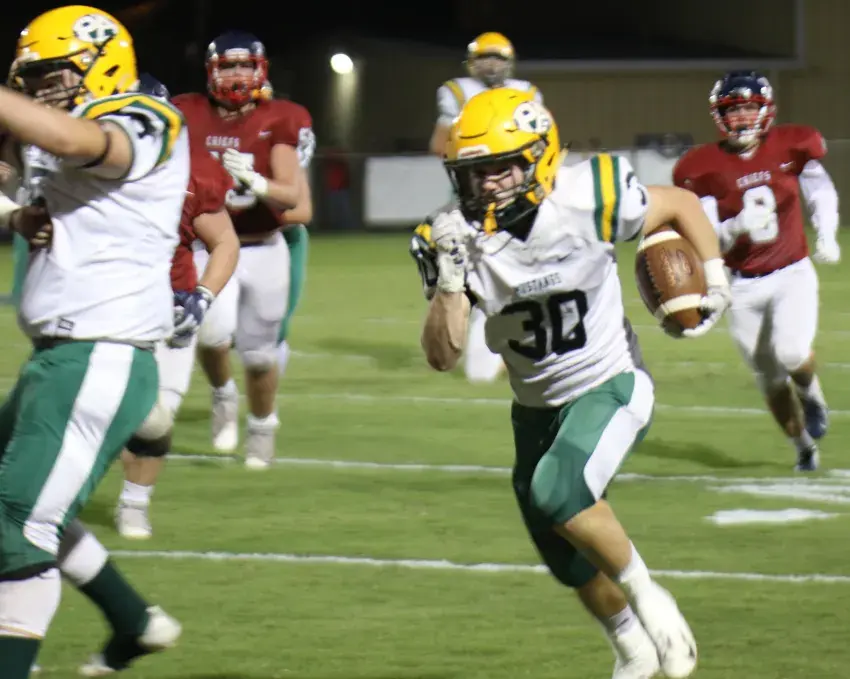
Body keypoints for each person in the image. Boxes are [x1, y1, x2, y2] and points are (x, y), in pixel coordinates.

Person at [416, 88, 732, 679]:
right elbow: (442, 354)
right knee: (565, 554)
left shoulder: (591, 196)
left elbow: (681, 204)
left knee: (558, 489)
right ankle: (632, 651)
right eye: (476, 173)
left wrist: (714, 279)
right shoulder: (452, 236)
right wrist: (451, 284)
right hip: (534, 407)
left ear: (540, 157)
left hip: (610, 382)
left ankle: (652, 600)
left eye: (502, 169)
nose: (488, 186)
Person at [0, 6, 190, 676]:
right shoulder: (53, 132)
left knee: (16, 526)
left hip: (100, 352)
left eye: (51, 76)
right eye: (31, 80)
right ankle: (133, 620)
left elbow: (83, 142)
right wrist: (16, 213)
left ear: (102, 61)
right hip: (60, 356)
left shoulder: (147, 114)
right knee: (21, 510)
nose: (38, 91)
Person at [673, 71, 839, 472]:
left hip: (791, 271)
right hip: (742, 284)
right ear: (719, 115)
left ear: (766, 110)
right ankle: (803, 448)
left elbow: (820, 190)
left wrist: (827, 234)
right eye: (734, 109)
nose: (742, 117)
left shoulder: (790, 144)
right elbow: (707, 236)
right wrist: (735, 226)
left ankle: (812, 396)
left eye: (749, 107)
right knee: (770, 379)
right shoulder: (703, 167)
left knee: (792, 352)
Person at [172, 31, 314, 468]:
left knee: (258, 354)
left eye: (245, 65)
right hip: (209, 244)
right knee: (210, 333)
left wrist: (256, 182)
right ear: (211, 71)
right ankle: (222, 393)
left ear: (261, 70)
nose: (237, 74)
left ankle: (262, 426)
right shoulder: (185, 112)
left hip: (262, 244)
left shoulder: (282, 117)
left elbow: (294, 200)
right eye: (228, 65)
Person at [115, 75, 240, 540]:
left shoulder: (194, 171)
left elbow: (224, 242)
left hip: (168, 303)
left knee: (157, 417)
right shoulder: (86, 169)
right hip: (104, 305)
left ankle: (135, 502)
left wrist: (202, 295)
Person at [426, 32, 542, 384]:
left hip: (522, 197)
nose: (491, 64)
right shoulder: (457, 91)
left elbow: (541, 142)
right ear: (471, 63)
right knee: (477, 267)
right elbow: (440, 144)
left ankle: (529, 337)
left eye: (498, 57)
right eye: (484, 57)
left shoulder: (527, 92)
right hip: (476, 199)